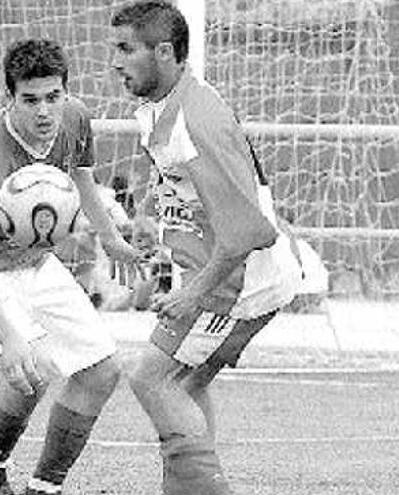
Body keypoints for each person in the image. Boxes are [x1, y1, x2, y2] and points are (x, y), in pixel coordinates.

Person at [110, 2, 304, 494]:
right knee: (187, 384)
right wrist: (154, 219)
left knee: (151, 378)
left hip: (237, 284)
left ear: (166, 52)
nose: (114, 61)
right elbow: (189, 188)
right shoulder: (165, 106)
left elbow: (250, 231)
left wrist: (193, 294)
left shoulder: (196, 119)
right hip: (230, 272)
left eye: (125, 49)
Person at [0, 38, 137, 494]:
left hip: (34, 262)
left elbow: (82, 176)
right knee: (33, 365)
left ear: (65, 92)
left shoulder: (74, 117)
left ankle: (44, 488)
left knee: (103, 370)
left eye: (53, 96)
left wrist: (111, 239)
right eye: (30, 100)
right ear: (10, 98)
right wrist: (8, 338)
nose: (45, 111)